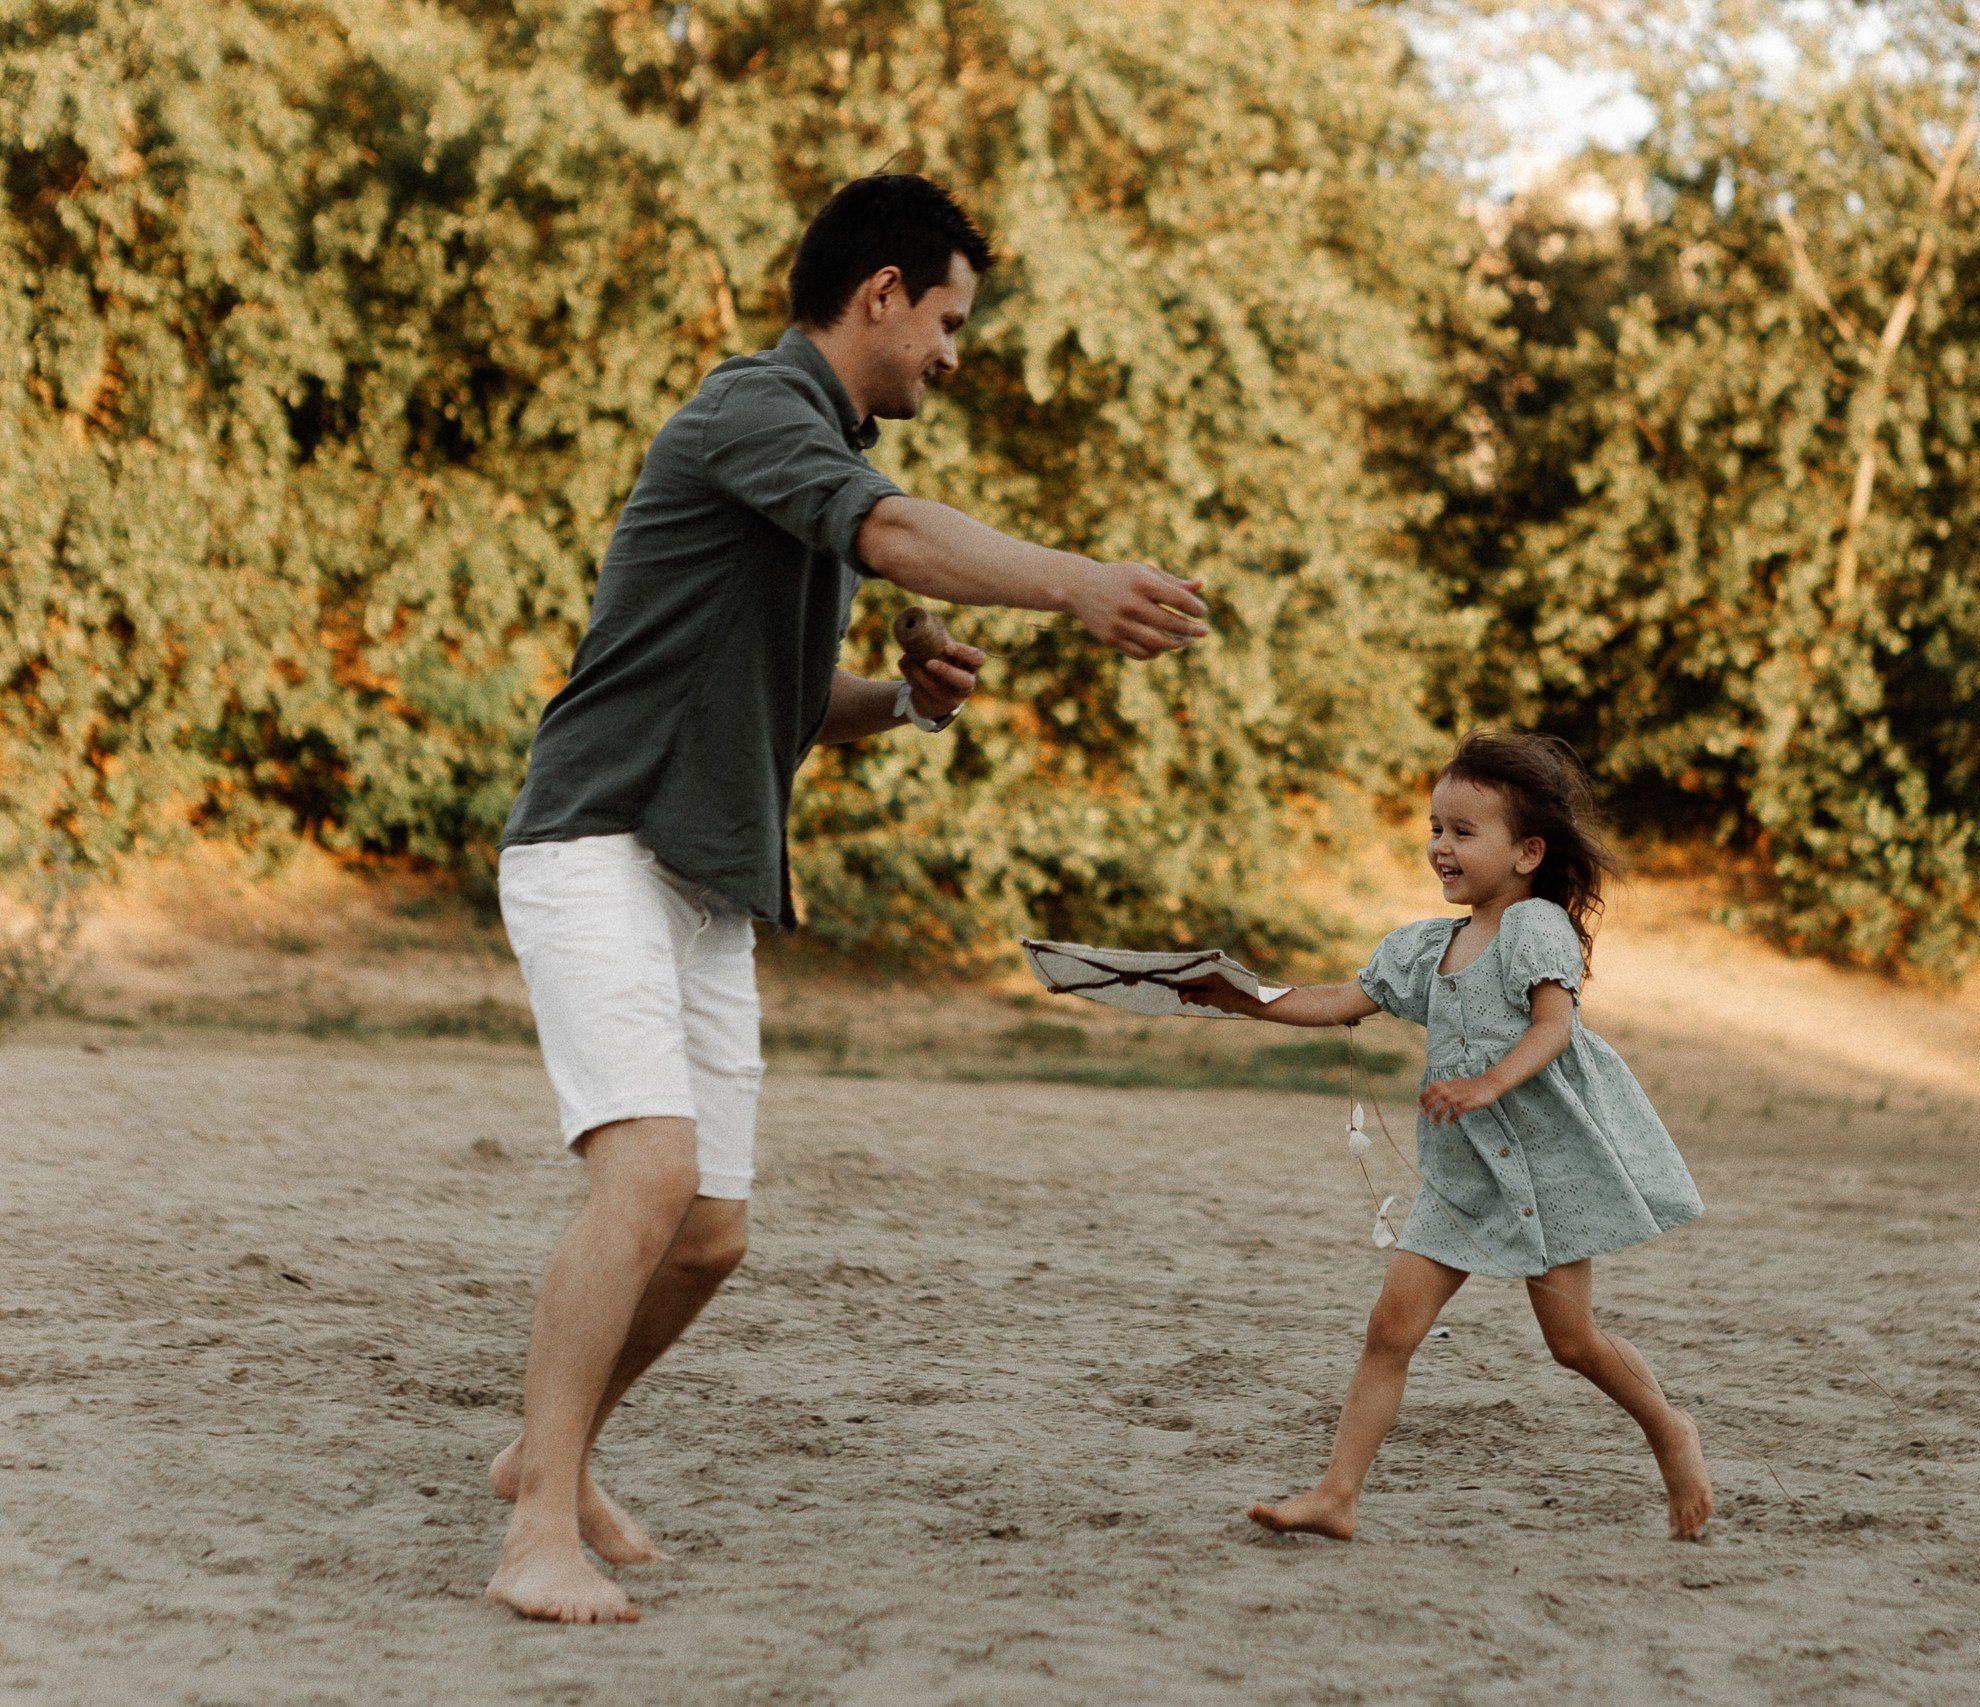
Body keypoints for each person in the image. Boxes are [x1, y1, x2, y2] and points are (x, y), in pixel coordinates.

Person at [483, 174, 1210, 1623]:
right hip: (598, 838)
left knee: (709, 1232)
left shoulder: (812, 449)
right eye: (948, 319)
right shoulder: (754, 406)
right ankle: (535, 1539)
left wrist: (904, 703)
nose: (955, 350)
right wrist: (1076, 586)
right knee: (647, 1175)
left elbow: (784, 692)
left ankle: (539, 1458)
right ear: (879, 293)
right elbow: (901, 535)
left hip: (704, 870)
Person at [1181, 731, 1711, 1541]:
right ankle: (1338, 1494)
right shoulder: (1426, 947)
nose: (1440, 846)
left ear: (1528, 851)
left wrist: (1487, 1083)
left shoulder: (1537, 928)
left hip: (1546, 1168)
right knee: (1390, 1326)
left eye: (1464, 831)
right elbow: (1337, 1000)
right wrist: (1244, 998)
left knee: (1572, 1341)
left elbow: (1553, 1028)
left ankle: (1670, 1429)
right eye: (1435, 827)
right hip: (1462, 1176)